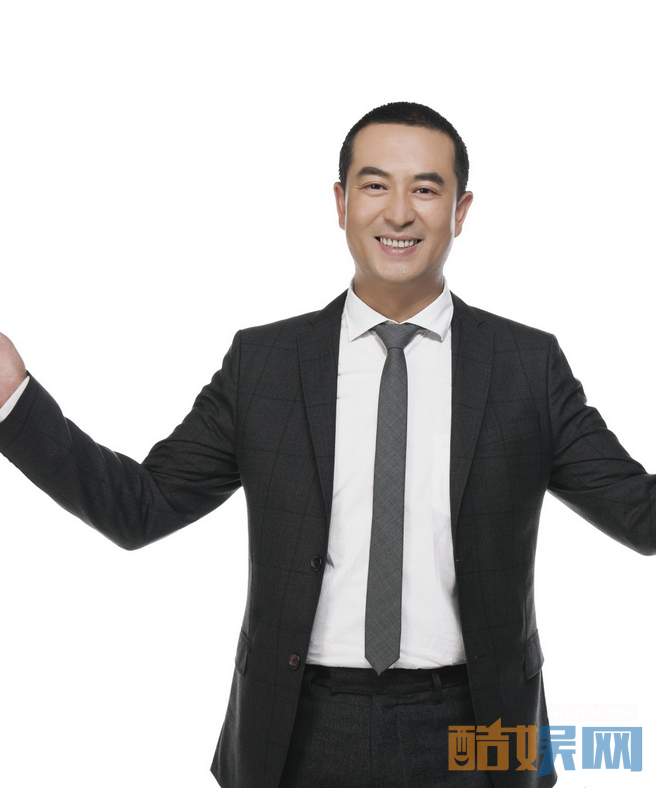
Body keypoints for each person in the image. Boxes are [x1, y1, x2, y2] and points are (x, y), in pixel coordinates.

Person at [0, 101, 654, 788]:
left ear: (460, 211)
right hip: (298, 730)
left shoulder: (526, 367)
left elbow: (640, 517)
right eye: (375, 185)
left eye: (425, 189)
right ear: (341, 203)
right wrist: (14, 400)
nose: (398, 212)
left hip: (476, 729)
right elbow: (139, 508)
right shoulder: (265, 364)